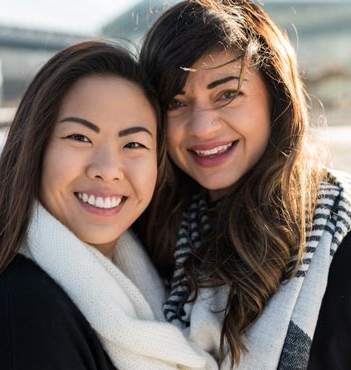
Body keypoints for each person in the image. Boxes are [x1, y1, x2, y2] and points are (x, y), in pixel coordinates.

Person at [138, 1, 351, 369]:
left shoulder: (339, 241)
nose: (202, 127)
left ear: (276, 97)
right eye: (176, 102)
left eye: (227, 94)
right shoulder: (152, 239)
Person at [0, 41, 215, 370]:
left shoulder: (158, 288)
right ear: (35, 148)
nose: (106, 169)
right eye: (79, 137)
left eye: (133, 143)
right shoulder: (23, 310)